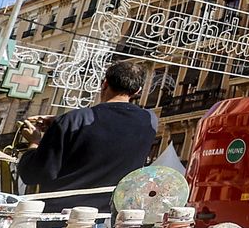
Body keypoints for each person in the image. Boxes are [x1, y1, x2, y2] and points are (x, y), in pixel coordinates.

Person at [16, 59, 158, 213]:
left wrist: (34, 142)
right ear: (137, 91)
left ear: (104, 84)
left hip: (63, 215)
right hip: (109, 216)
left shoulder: (74, 120)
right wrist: (62, 122)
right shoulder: (149, 121)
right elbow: (114, 129)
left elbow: (34, 174)